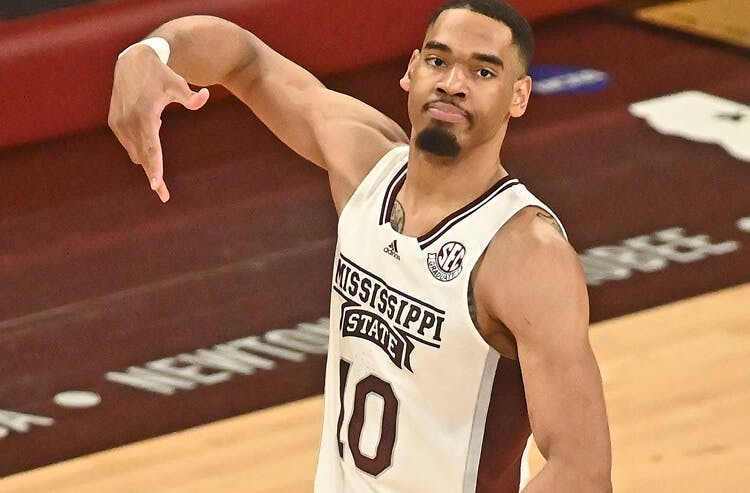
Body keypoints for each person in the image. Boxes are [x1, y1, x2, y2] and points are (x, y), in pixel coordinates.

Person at [108, 1, 612, 491]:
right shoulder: (365, 168)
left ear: (519, 96)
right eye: (438, 61)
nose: (453, 84)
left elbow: (582, 472)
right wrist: (151, 51)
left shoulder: (525, 254)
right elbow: (244, 58)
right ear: (412, 70)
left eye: (483, 73)